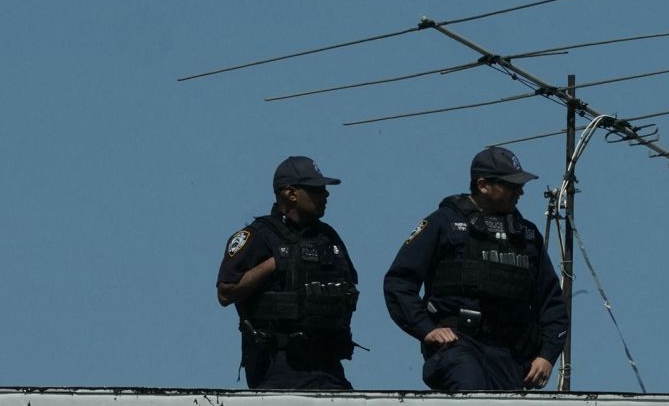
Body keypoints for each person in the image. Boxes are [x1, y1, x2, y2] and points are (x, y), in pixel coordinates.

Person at [383, 146, 568, 392]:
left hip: (512, 358)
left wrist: (547, 355)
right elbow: (398, 282)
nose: (521, 191)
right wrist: (426, 329)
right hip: (460, 347)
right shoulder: (445, 223)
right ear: (483, 185)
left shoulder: (526, 235)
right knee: (473, 405)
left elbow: (552, 303)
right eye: (511, 185)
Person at [217, 155, 359, 390]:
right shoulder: (259, 236)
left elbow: (349, 285)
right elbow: (226, 292)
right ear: (291, 193)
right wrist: (277, 262)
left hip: (328, 367)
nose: (326, 195)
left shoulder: (328, 237)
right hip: (279, 369)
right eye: (317, 189)